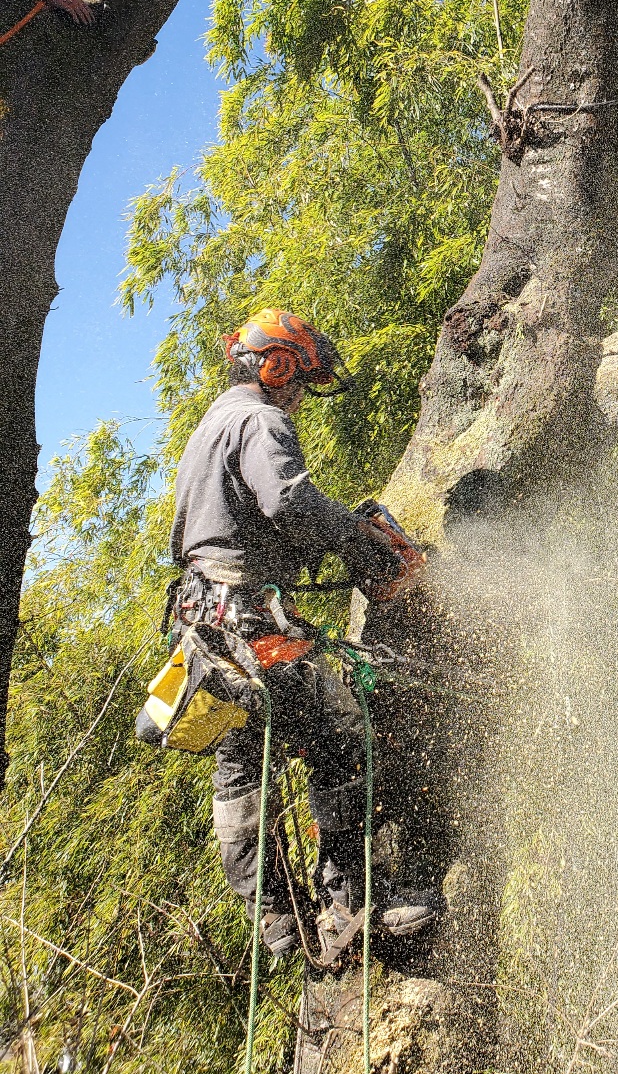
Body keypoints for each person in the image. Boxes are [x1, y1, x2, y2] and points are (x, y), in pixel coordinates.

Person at [170, 307, 440, 962]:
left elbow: (232, 529)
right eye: (299, 381)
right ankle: (354, 905)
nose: (299, 397)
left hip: (201, 619)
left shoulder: (209, 427)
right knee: (343, 736)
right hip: (249, 617)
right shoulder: (259, 419)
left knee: (238, 773)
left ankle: (277, 920)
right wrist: (353, 538)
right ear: (276, 366)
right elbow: (288, 502)